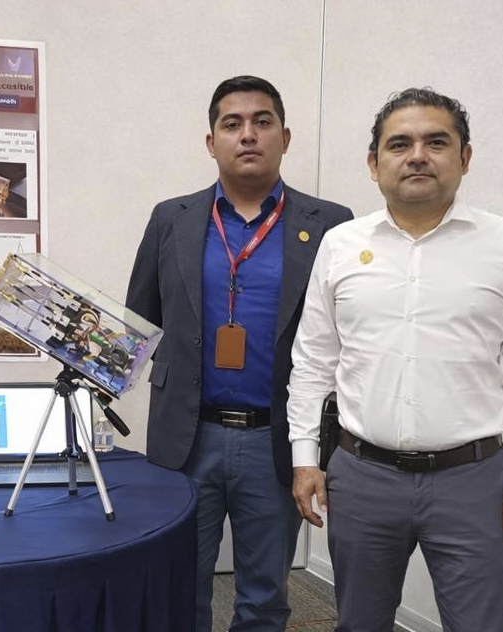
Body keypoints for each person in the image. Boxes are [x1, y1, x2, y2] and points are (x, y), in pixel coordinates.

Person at [288, 88, 503, 631]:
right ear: (374, 164)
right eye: (400, 144)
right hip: (361, 477)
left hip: (473, 481)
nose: (418, 155)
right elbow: (313, 361)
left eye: (436, 142)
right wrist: (304, 459)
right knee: (360, 622)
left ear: (464, 157)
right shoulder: (340, 245)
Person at [126, 75, 352, 632]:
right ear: (212, 142)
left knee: (265, 594)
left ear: (285, 137)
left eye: (262, 122)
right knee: (178, 584)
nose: (247, 134)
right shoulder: (170, 218)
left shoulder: (331, 225)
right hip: (187, 437)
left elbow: (348, 337)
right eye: (232, 124)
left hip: (276, 441)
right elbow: (139, 321)